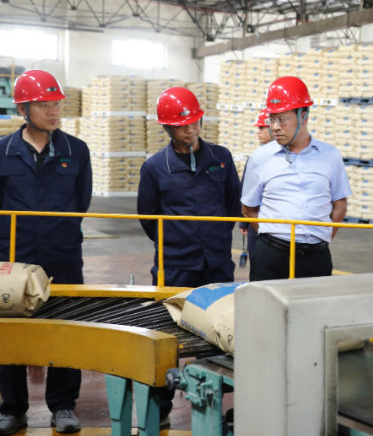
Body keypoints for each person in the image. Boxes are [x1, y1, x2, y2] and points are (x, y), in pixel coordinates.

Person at [0, 70, 92, 436]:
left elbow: (81, 202)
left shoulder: (76, 150)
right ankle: (13, 409)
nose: (54, 111)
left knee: (65, 326)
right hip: (14, 254)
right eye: (44, 105)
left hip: (63, 253)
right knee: (13, 330)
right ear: (23, 109)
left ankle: (63, 405)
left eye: (56, 104)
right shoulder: (1, 151)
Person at [241, 76, 351, 281]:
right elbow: (248, 209)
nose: (275, 127)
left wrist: (321, 237)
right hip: (270, 257)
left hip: (315, 258)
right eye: (272, 119)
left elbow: (339, 205)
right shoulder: (259, 158)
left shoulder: (330, 156)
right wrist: (273, 237)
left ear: (303, 115)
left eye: (282, 119)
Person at [138, 86, 242, 287]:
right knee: (173, 306)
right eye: (182, 126)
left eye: (194, 122)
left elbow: (233, 202)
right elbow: (148, 217)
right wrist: (176, 240)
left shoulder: (221, 157)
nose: (190, 130)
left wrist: (217, 232)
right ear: (167, 127)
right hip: (176, 265)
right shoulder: (155, 167)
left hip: (217, 261)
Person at [239, 108, 273, 270]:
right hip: (256, 221)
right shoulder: (256, 158)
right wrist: (244, 222)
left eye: (262, 128)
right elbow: (246, 192)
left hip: (278, 223)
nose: (258, 131)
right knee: (259, 265)